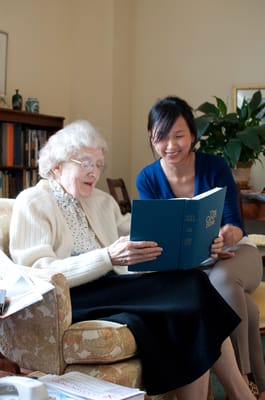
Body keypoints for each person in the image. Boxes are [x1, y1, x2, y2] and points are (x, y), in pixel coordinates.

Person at [9, 119, 256, 400]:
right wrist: (106, 256)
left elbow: (142, 232)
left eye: (99, 165)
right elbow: (37, 272)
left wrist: (199, 239)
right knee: (190, 291)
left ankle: (235, 393)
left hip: (115, 288)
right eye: (86, 163)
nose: (95, 172)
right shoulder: (32, 202)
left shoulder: (101, 201)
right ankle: (240, 394)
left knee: (192, 291)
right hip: (72, 298)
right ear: (57, 165)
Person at [136, 95, 265, 399]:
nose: (171, 145)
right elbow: (155, 232)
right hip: (193, 265)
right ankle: (257, 385)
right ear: (151, 139)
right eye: (161, 137)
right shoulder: (148, 178)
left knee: (220, 282)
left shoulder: (215, 166)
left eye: (178, 135)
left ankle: (241, 380)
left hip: (237, 255)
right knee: (241, 306)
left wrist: (224, 237)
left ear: (192, 134)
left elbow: (236, 225)